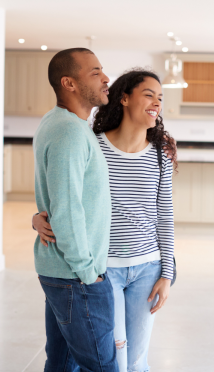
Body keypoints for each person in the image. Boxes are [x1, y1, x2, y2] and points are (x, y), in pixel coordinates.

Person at [34, 68, 176, 372]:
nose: (156, 103)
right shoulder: (93, 143)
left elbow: (165, 214)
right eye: (148, 94)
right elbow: (64, 193)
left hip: (147, 269)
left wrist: (167, 273)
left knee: (137, 361)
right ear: (124, 98)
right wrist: (38, 217)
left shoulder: (161, 154)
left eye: (160, 98)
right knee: (114, 358)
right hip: (103, 269)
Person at [33, 48, 118, 371]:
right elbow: (67, 209)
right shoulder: (69, 131)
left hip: (64, 272)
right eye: (95, 72)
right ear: (68, 83)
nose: (106, 78)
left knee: (61, 363)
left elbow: (58, 195)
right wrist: (88, 273)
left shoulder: (63, 123)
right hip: (75, 275)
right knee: (102, 365)